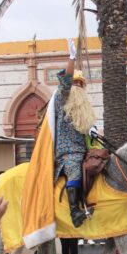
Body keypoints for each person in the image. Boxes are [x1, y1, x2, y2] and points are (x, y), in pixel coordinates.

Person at [54, 39, 98, 227]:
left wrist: (93, 133)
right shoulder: (63, 98)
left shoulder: (84, 111)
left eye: (81, 84)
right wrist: (71, 59)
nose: (78, 87)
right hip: (68, 153)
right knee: (74, 168)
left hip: (83, 151)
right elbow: (65, 83)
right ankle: (74, 212)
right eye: (75, 83)